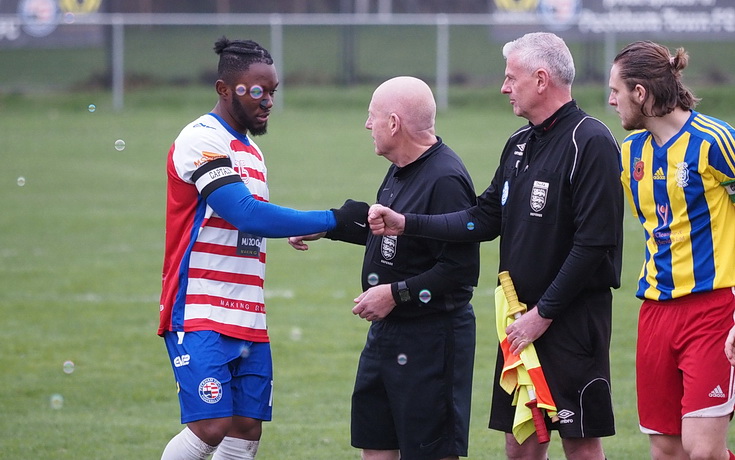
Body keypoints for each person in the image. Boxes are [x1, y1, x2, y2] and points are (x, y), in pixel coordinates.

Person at [368, 33, 623, 460]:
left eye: (512, 78)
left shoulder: (590, 141)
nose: (504, 87)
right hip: (519, 318)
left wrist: (544, 314)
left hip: (570, 319)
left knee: (578, 440)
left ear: (541, 80)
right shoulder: (519, 144)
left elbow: (595, 244)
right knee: (519, 442)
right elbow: (482, 218)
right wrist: (406, 223)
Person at [158, 37, 366, 460]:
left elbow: (253, 215)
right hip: (200, 310)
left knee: (246, 429)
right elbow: (246, 214)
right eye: (257, 90)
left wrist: (289, 228)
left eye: (272, 91)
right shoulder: (201, 139)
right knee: (211, 426)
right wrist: (332, 220)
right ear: (223, 89)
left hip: (247, 312)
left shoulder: (252, 151)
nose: (268, 100)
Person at [288, 76, 480, 460]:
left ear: (394, 123)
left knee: (429, 453)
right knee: (375, 445)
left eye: (372, 116)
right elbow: (389, 233)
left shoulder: (445, 179)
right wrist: (329, 225)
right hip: (387, 336)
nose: (366, 125)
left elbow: (460, 270)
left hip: (431, 340)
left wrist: (394, 294)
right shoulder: (401, 167)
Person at [608, 40, 735, 460]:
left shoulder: (716, 142)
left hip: (713, 310)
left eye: (616, 91)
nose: (610, 101)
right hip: (655, 314)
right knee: (665, 448)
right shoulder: (630, 155)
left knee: (703, 450)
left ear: (640, 93)